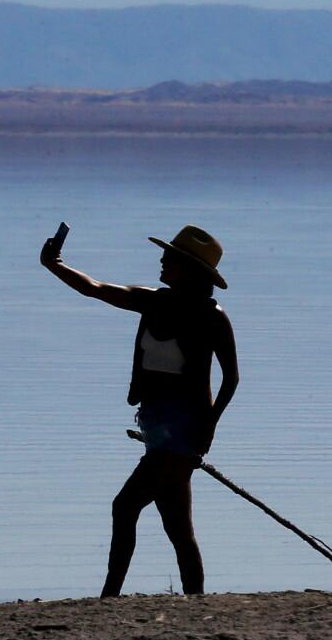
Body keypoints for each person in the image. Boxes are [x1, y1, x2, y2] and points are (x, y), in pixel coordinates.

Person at [40, 224, 239, 597]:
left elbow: (231, 379)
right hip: (155, 428)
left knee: (124, 506)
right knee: (178, 528)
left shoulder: (212, 318)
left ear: (193, 270)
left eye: (171, 259)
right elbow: (95, 289)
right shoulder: (153, 301)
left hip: (184, 433)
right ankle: (194, 602)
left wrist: (209, 426)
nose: (162, 262)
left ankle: (109, 596)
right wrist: (55, 264)